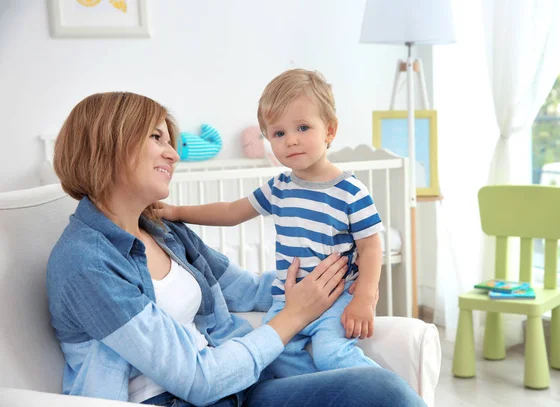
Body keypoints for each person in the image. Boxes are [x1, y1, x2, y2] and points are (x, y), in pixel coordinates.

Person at [47, 91, 425, 407]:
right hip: (181, 399)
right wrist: (294, 315)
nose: (173, 155)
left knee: (382, 392)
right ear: (107, 144)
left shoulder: (166, 233)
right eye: (156, 139)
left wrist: (333, 282)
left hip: (238, 389)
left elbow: (251, 289)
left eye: (169, 141)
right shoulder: (86, 262)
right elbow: (197, 379)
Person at [157, 69, 383, 378]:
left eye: (303, 127)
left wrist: (365, 298)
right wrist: (177, 212)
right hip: (287, 300)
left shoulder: (350, 192)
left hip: (335, 299)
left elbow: (372, 247)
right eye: (278, 133)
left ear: (330, 131)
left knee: (332, 356)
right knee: (273, 357)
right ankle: (317, 394)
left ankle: (389, 392)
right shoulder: (278, 188)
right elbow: (231, 211)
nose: (291, 140)